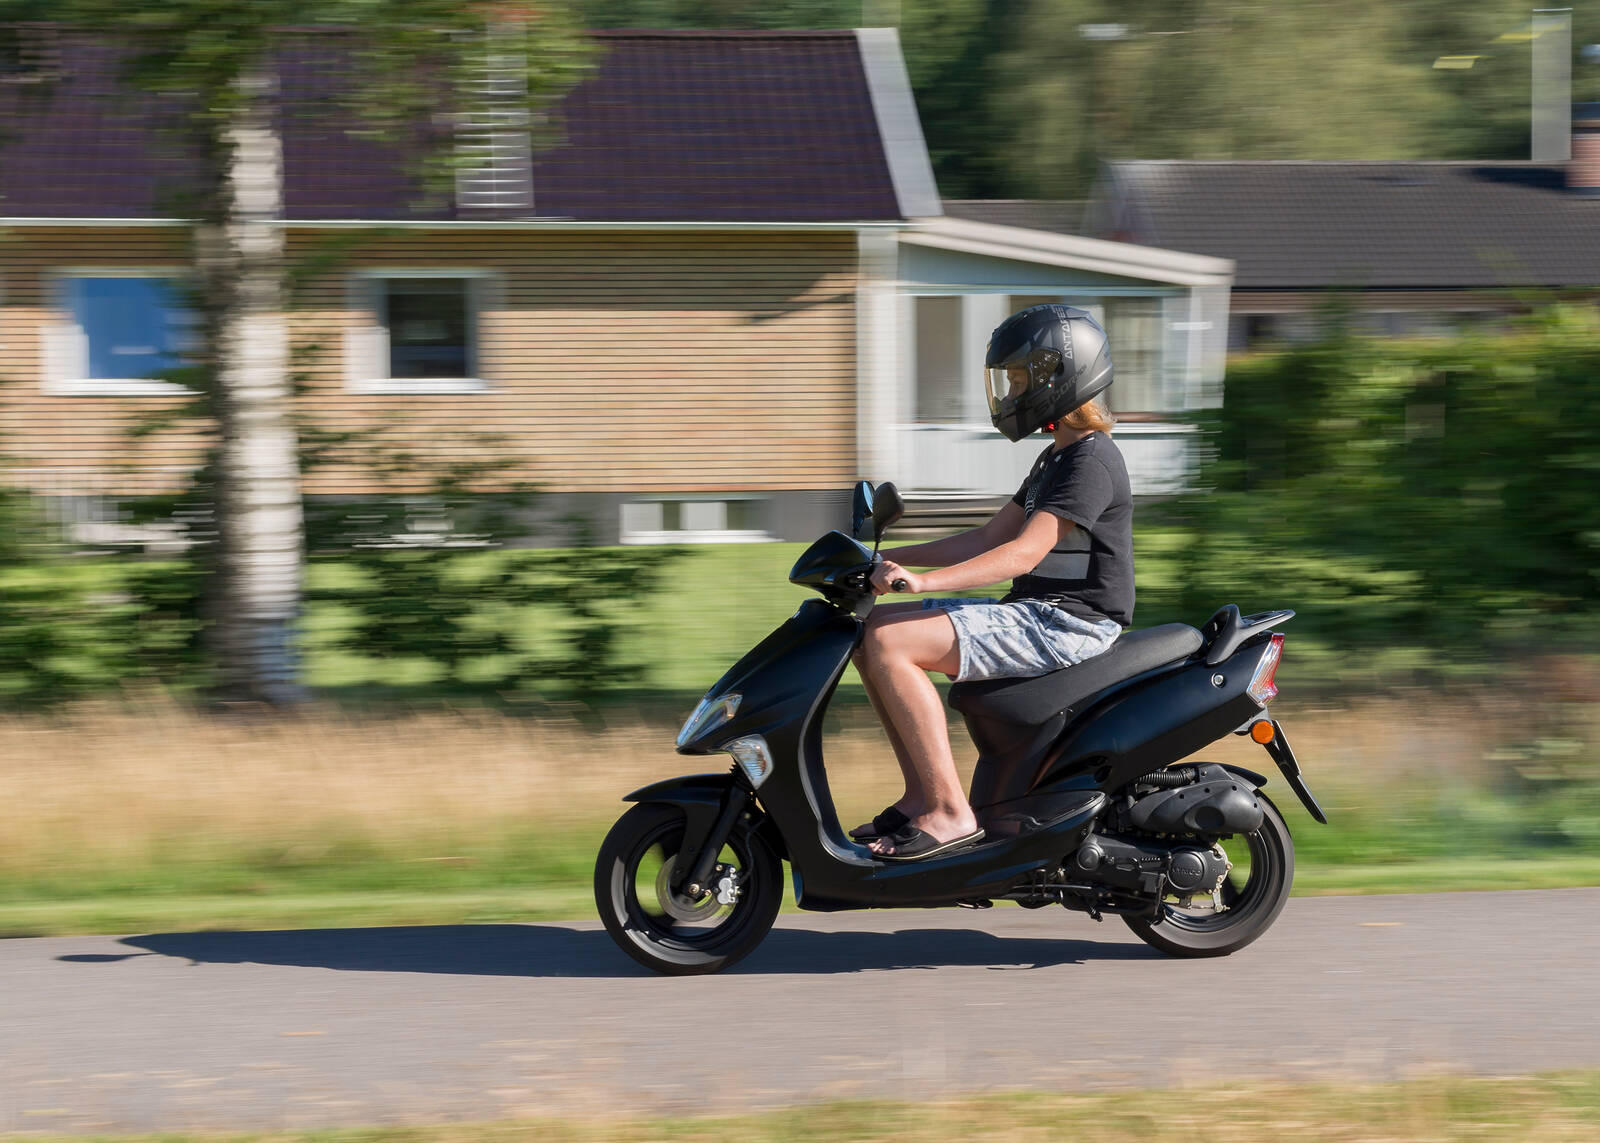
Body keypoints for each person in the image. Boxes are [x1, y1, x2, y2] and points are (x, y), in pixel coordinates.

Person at [852, 304, 1135, 860]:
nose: (1011, 393)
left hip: (1071, 623)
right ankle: (920, 798)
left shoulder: (1091, 462)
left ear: (1062, 377)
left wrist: (922, 582)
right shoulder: (1056, 458)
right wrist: (876, 559)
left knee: (891, 641)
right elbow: (985, 538)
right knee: (871, 631)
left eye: (1020, 379)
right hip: (1040, 613)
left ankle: (949, 813)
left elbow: (1022, 554)